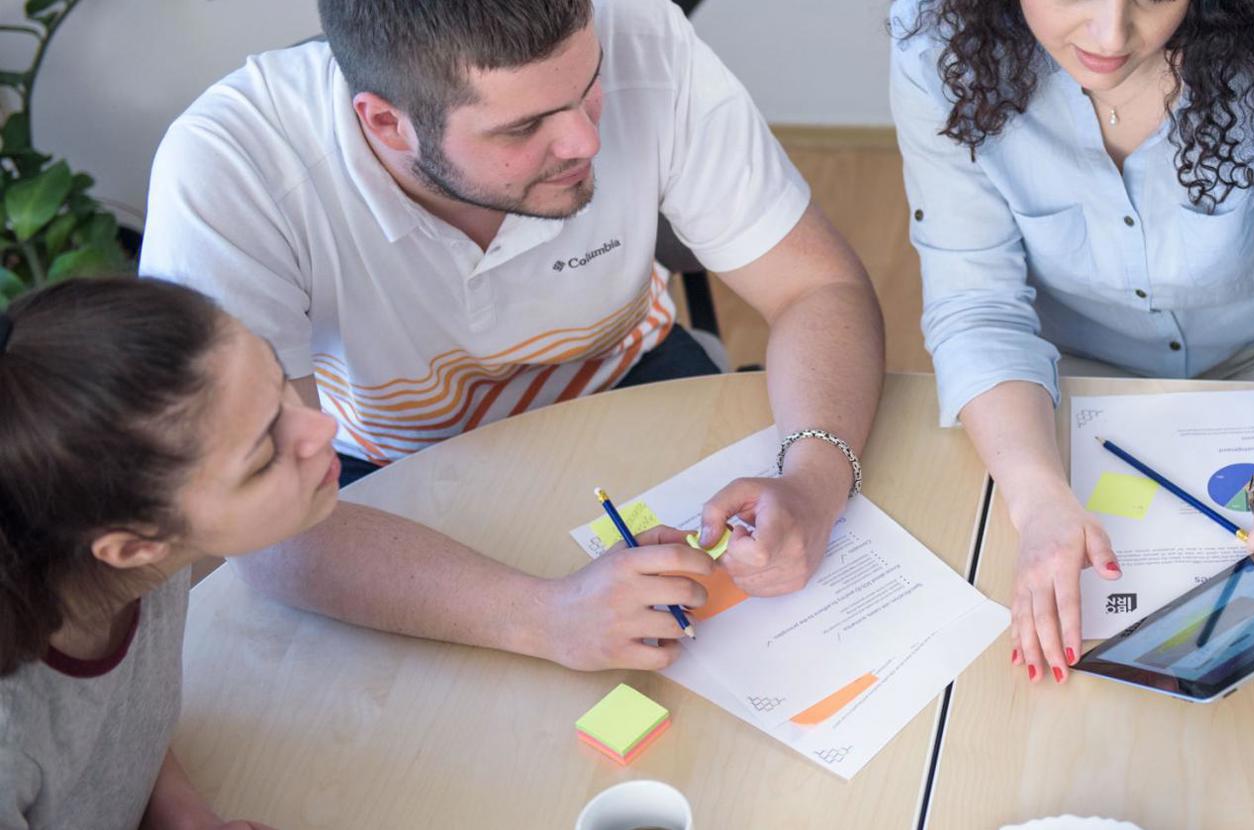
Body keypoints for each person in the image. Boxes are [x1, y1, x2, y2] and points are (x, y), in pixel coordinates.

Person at [141, 0, 884, 672]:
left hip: (631, 374)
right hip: (385, 468)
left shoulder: (643, 33)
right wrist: (547, 618)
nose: (586, 139)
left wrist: (815, 484)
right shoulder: (231, 165)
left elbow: (815, 286)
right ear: (384, 122)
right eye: (523, 127)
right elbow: (270, 526)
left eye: (589, 83)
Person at [892, 0, 1254, 684]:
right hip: (1057, 397)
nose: (1109, 34)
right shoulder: (937, 45)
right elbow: (979, 308)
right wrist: (1037, 499)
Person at [0, 278, 329, 829]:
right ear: (130, 547)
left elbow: (117, 725)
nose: (322, 428)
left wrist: (185, 816)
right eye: (263, 454)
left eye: (278, 384)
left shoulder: (149, 564)